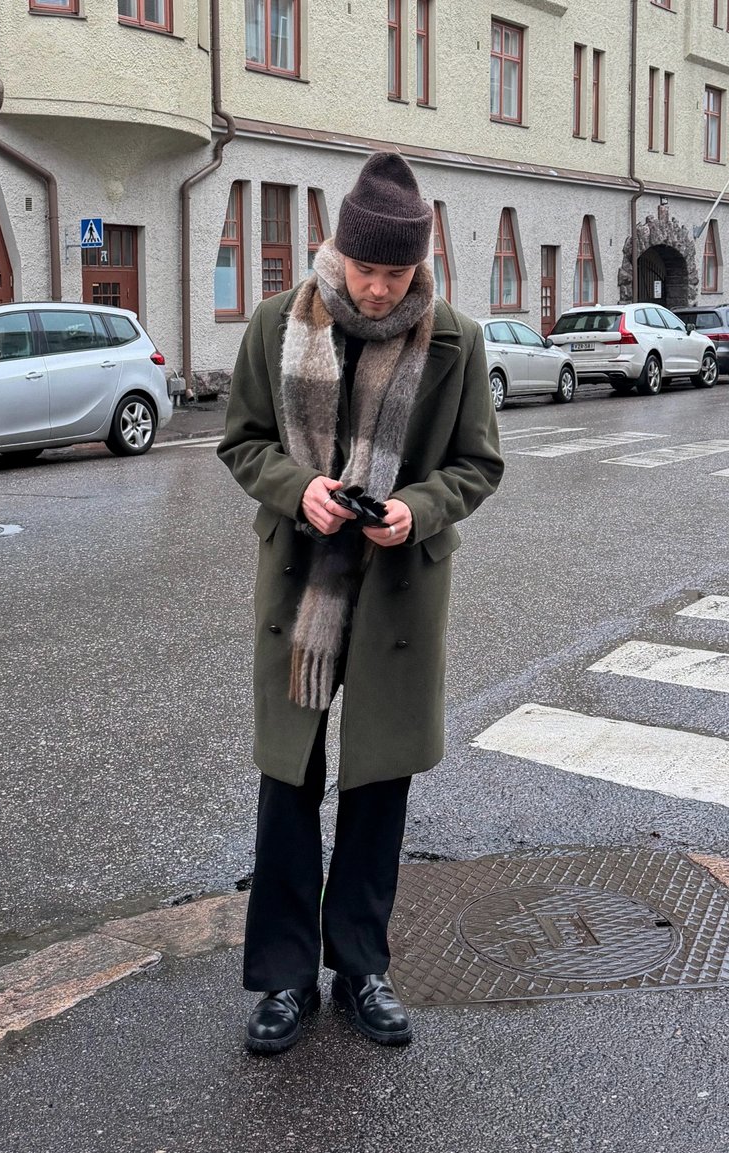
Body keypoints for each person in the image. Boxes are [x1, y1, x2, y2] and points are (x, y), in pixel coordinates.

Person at [218, 152, 504, 1055]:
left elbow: (478, 464)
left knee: (377, 785)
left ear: (420, 266)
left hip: (397, 590)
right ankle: (282, 978)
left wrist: (414, 511)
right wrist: (296, 487)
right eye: (365, 269)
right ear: (335, 251)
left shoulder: (456, 338)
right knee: (288, 782)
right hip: (301, 589)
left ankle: (361, 967)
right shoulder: (276, 323)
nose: (379, 290)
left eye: (397, 273)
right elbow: (243, 441)